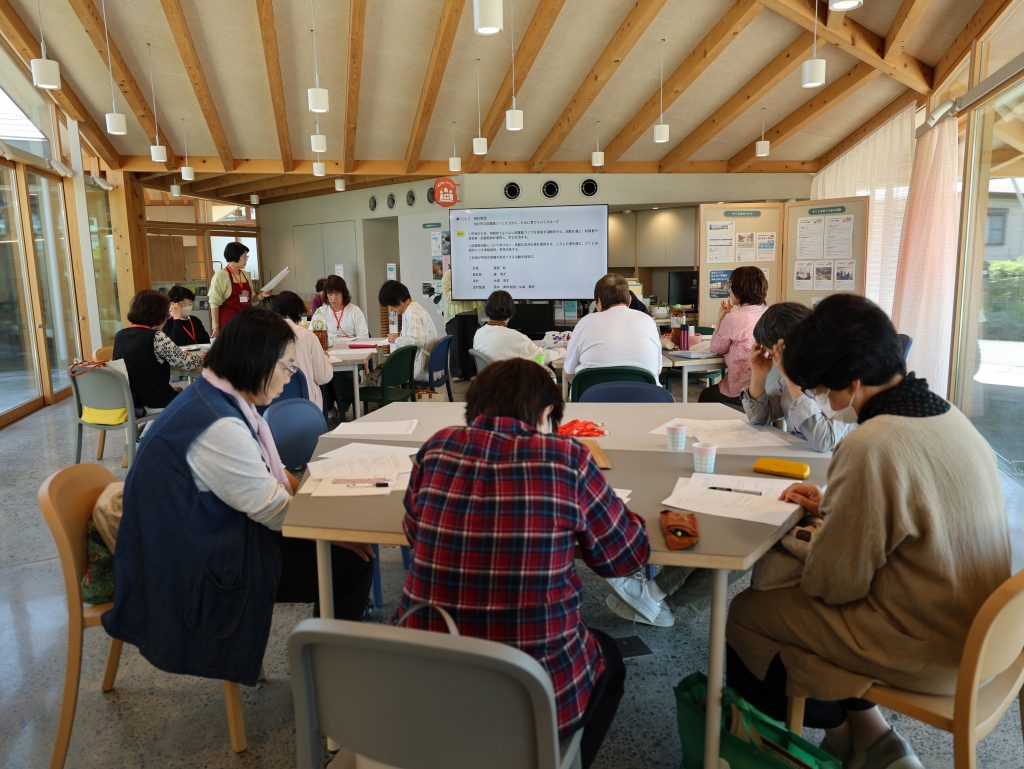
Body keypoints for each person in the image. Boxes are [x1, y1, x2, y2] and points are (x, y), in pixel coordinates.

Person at [726, 294, 1010, 769]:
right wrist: (834, 504)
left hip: (928, 648)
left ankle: (785, 748)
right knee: (805, 615)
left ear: (853, 383)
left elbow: (833, 584)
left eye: (826, 391)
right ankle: (869, 738)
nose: (827, 401)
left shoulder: (871, 445)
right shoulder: (946, 414)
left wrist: (806, 535)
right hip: (985, 635)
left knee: (752, 611)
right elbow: (915, 506)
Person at [395, 359, 650, 768]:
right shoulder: (567, 458)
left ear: (473, 408)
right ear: (547, 414)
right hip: (534, 694)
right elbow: (625, 556)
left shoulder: (436, 447)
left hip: (423, 683)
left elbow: (413, 532)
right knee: (609, 659)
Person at [102, 309, 375, 686]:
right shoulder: (220, 425)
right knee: (351, 561)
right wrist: (332, 532)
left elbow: (267, 474)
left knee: (342, 548)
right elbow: (272, 509)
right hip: (194, 569)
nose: (289, 376)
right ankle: (328, 677)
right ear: (257, 362)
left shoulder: (213, 396)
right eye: (286, 367)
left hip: (198, 538)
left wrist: (314, 506)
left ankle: (327, 660)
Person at [742, 302, 854, 453]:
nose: (775, 361)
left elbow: (825, 441)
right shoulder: (792, 376)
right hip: (800, 455)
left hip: (839, 461)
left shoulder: (845, 376)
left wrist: (791, 380)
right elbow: (759, 418)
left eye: (775, 354)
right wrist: (758, 375)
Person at [114, 289, 203, 412]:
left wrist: (179, 355)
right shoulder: (156, 336)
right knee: (202, 397)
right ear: (159, 315)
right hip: (154, 400)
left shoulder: (120, 335)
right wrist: (202, 357)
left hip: (129, 400)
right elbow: (188, 364)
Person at [563, 274, 662, 383]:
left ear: (599, 301)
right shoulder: (648, 321)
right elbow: (657, 370)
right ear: (629, 300)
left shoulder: (585, 323)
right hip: (643, 393)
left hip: (594, 393)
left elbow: (569, 372)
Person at [698, 265, 767, 407]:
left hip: (743, 390)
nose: (729, 290)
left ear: (740, 290)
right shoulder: (768, 313)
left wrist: (720, 318)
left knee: (706, 395)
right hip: (767, 388)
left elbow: (717, 348)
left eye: (731, 286)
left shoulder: (735, 317)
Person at [270, 291, 334, 411]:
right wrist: (325, 358)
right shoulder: (307, 336)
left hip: (272, 409)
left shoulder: (262, 336)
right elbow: (323, 377)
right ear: (298, 313)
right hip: (307, 407)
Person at [472, 290, 565, 366]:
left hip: (490, 380)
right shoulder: (514, 336)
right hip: (511, 380)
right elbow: (540, 358)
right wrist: (562, 351)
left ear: (487, 309)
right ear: (511, 312)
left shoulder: (479, 333)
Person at [379, 279, 440, 381]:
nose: (390, 310)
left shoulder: (411, 313)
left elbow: (417, 341)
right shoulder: (414, 307)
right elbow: (416, 336)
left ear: (398, 300)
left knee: (381, 373)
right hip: (430, 363)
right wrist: (400, 335)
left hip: (421, 368)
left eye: (390, 305)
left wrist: (396, 339)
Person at [208, 242, 269, 336]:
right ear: (236, 256)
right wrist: (216, 327)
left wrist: (261, 295)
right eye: (245, 256)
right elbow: (214, 303)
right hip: (229, 324)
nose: (246, 259)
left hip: (246, 322)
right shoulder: (220, 276)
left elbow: (251, 299)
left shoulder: (245, 274)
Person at [440, 267, 484, 379]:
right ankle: (456, 373)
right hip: (455, 314)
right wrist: (462, 293)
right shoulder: (449, 274)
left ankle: (471, 372)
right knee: (456, 343)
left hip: (471, 312)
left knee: (470, 342)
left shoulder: (472, 271)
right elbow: (446, 292)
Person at [309, 275, 369, 339]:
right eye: (330, 294)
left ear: (343, 294)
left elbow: (364, 337)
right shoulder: (321, 312)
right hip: (328, 345)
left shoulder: (355, 311)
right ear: (326, 295)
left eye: (336, 294)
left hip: (350, 345)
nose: (333, 298)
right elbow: (311, 336)